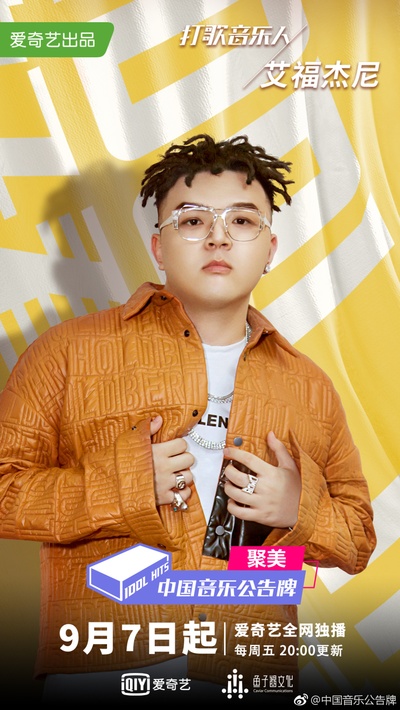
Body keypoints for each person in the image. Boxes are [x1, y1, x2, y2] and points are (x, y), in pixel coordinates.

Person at [0, 134, 376, 702]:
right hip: (104, 662)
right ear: (158, 246)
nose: (219, 236)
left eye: (242, 221)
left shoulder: (310, 387)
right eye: (193, 220)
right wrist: (124, 485)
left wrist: (299, 508)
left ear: (270, 249)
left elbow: (358, 539)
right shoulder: (67, 353)